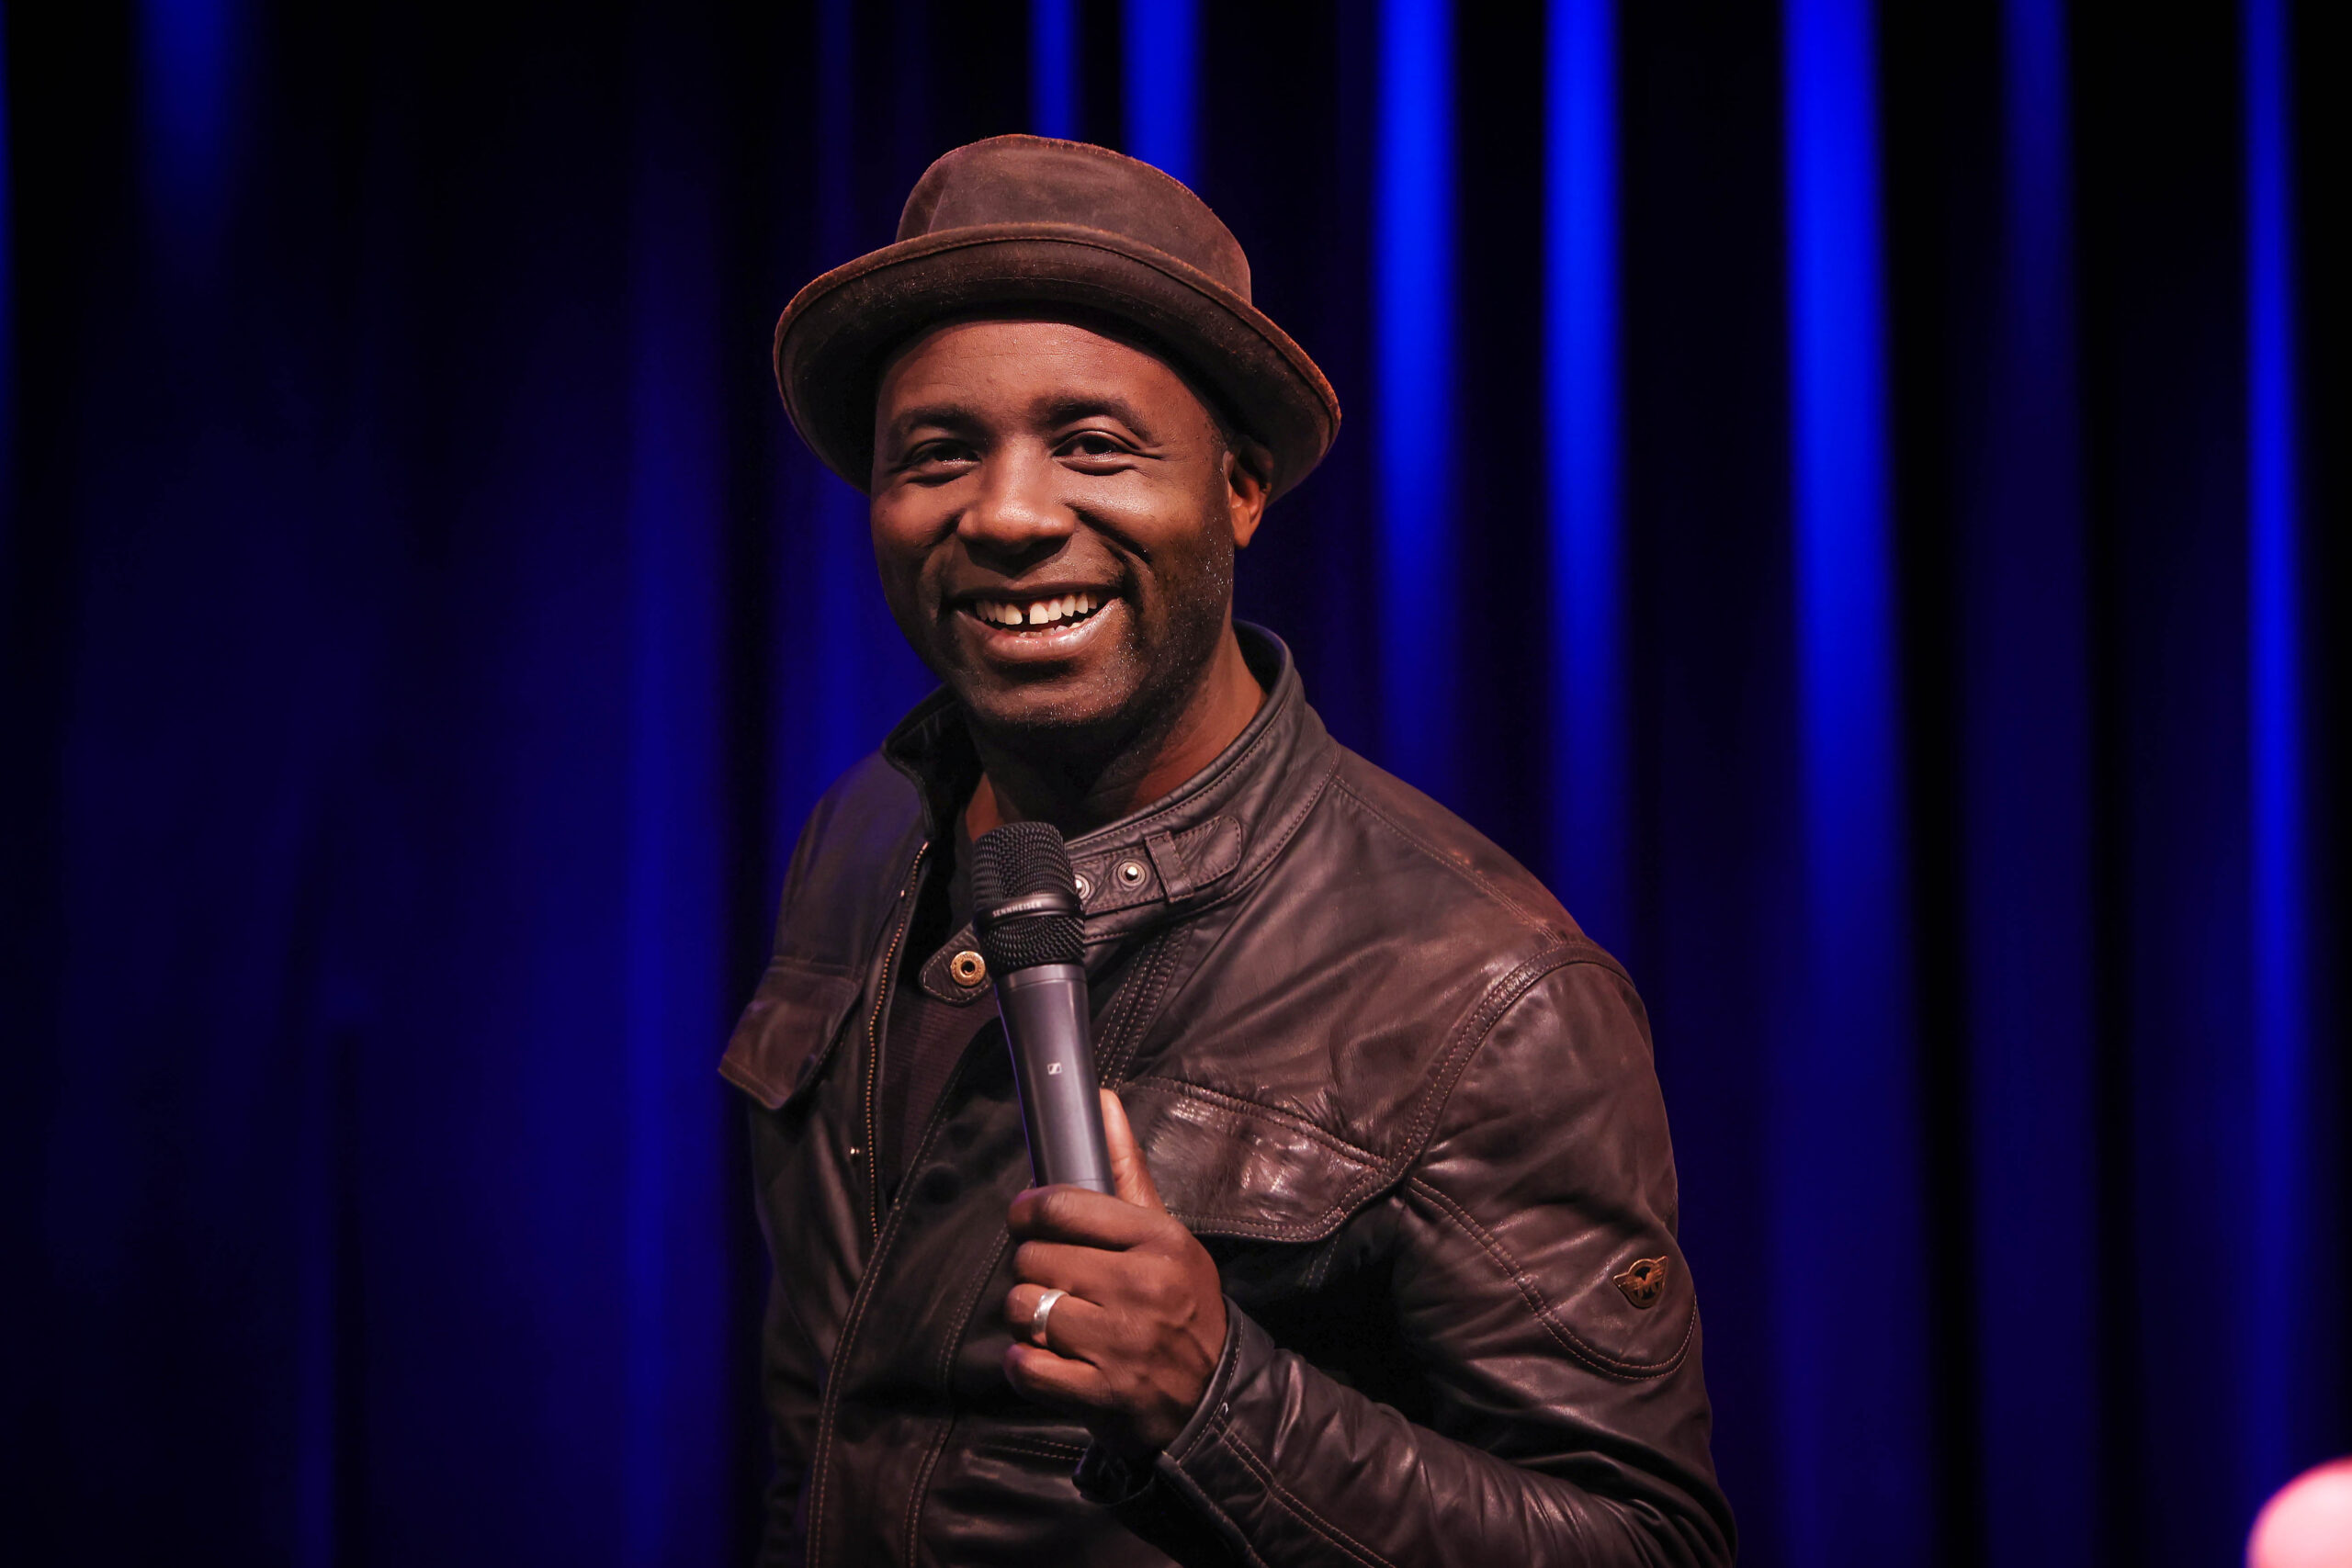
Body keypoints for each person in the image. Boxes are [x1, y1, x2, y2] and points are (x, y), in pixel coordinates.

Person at [726, 133, 1733, 1566]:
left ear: (1241, 488)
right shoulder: (865, 833)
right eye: (937, 456)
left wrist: (1217, 1401)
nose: (1007, 515)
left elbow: (1646, 1545)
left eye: (1094, 445)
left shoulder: (1482, 988)